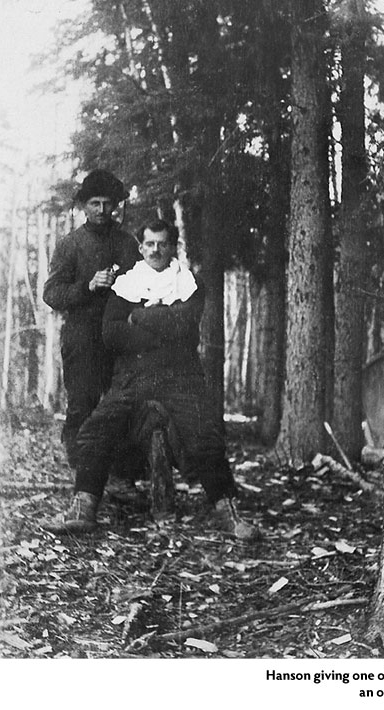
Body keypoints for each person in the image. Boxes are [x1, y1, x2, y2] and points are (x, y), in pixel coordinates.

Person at [46, 218, 260, 541]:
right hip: (134, 376)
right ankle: (83, 508)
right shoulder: (126, 284)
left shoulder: (189, 283)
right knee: (94, 430)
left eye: (162, 243)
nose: (155, 250)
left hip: (180, 376)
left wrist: (140, 316)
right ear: (141, 246)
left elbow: (185, 328)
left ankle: (228, 514)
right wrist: (157, 328)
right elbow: (111, 334)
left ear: (173, 246)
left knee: (205, 436)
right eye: (149, 244)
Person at [43, 169, 140, 469]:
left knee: (121, 404)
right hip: (82, 336)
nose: (102, 210)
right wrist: (87, 286)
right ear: (84, 206)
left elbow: (143, 287)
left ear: (115, 205)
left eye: (107, 203)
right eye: (95, 203)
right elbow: (52, 294)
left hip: (119, 336)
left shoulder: (127, 244)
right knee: (82, 404)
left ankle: (122, 475)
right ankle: (81, 476)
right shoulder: (70, 244)